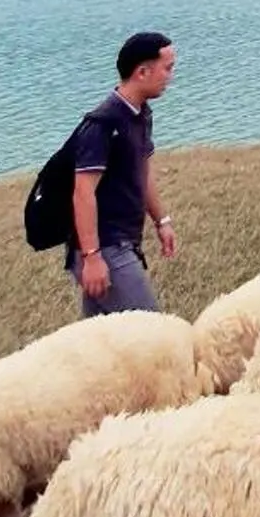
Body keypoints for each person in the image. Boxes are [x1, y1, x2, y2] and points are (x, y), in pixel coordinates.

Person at [69, 32, 178, 316]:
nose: (171, 76)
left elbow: (142, 171)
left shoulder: (141, 114)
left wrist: (161, 220)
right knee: (152, 332)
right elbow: (82, 193)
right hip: (106, 247)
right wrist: (92, 258)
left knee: (100, 343)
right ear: (142, 72)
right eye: (167, 68)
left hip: (123, 242)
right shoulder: (103, 124)